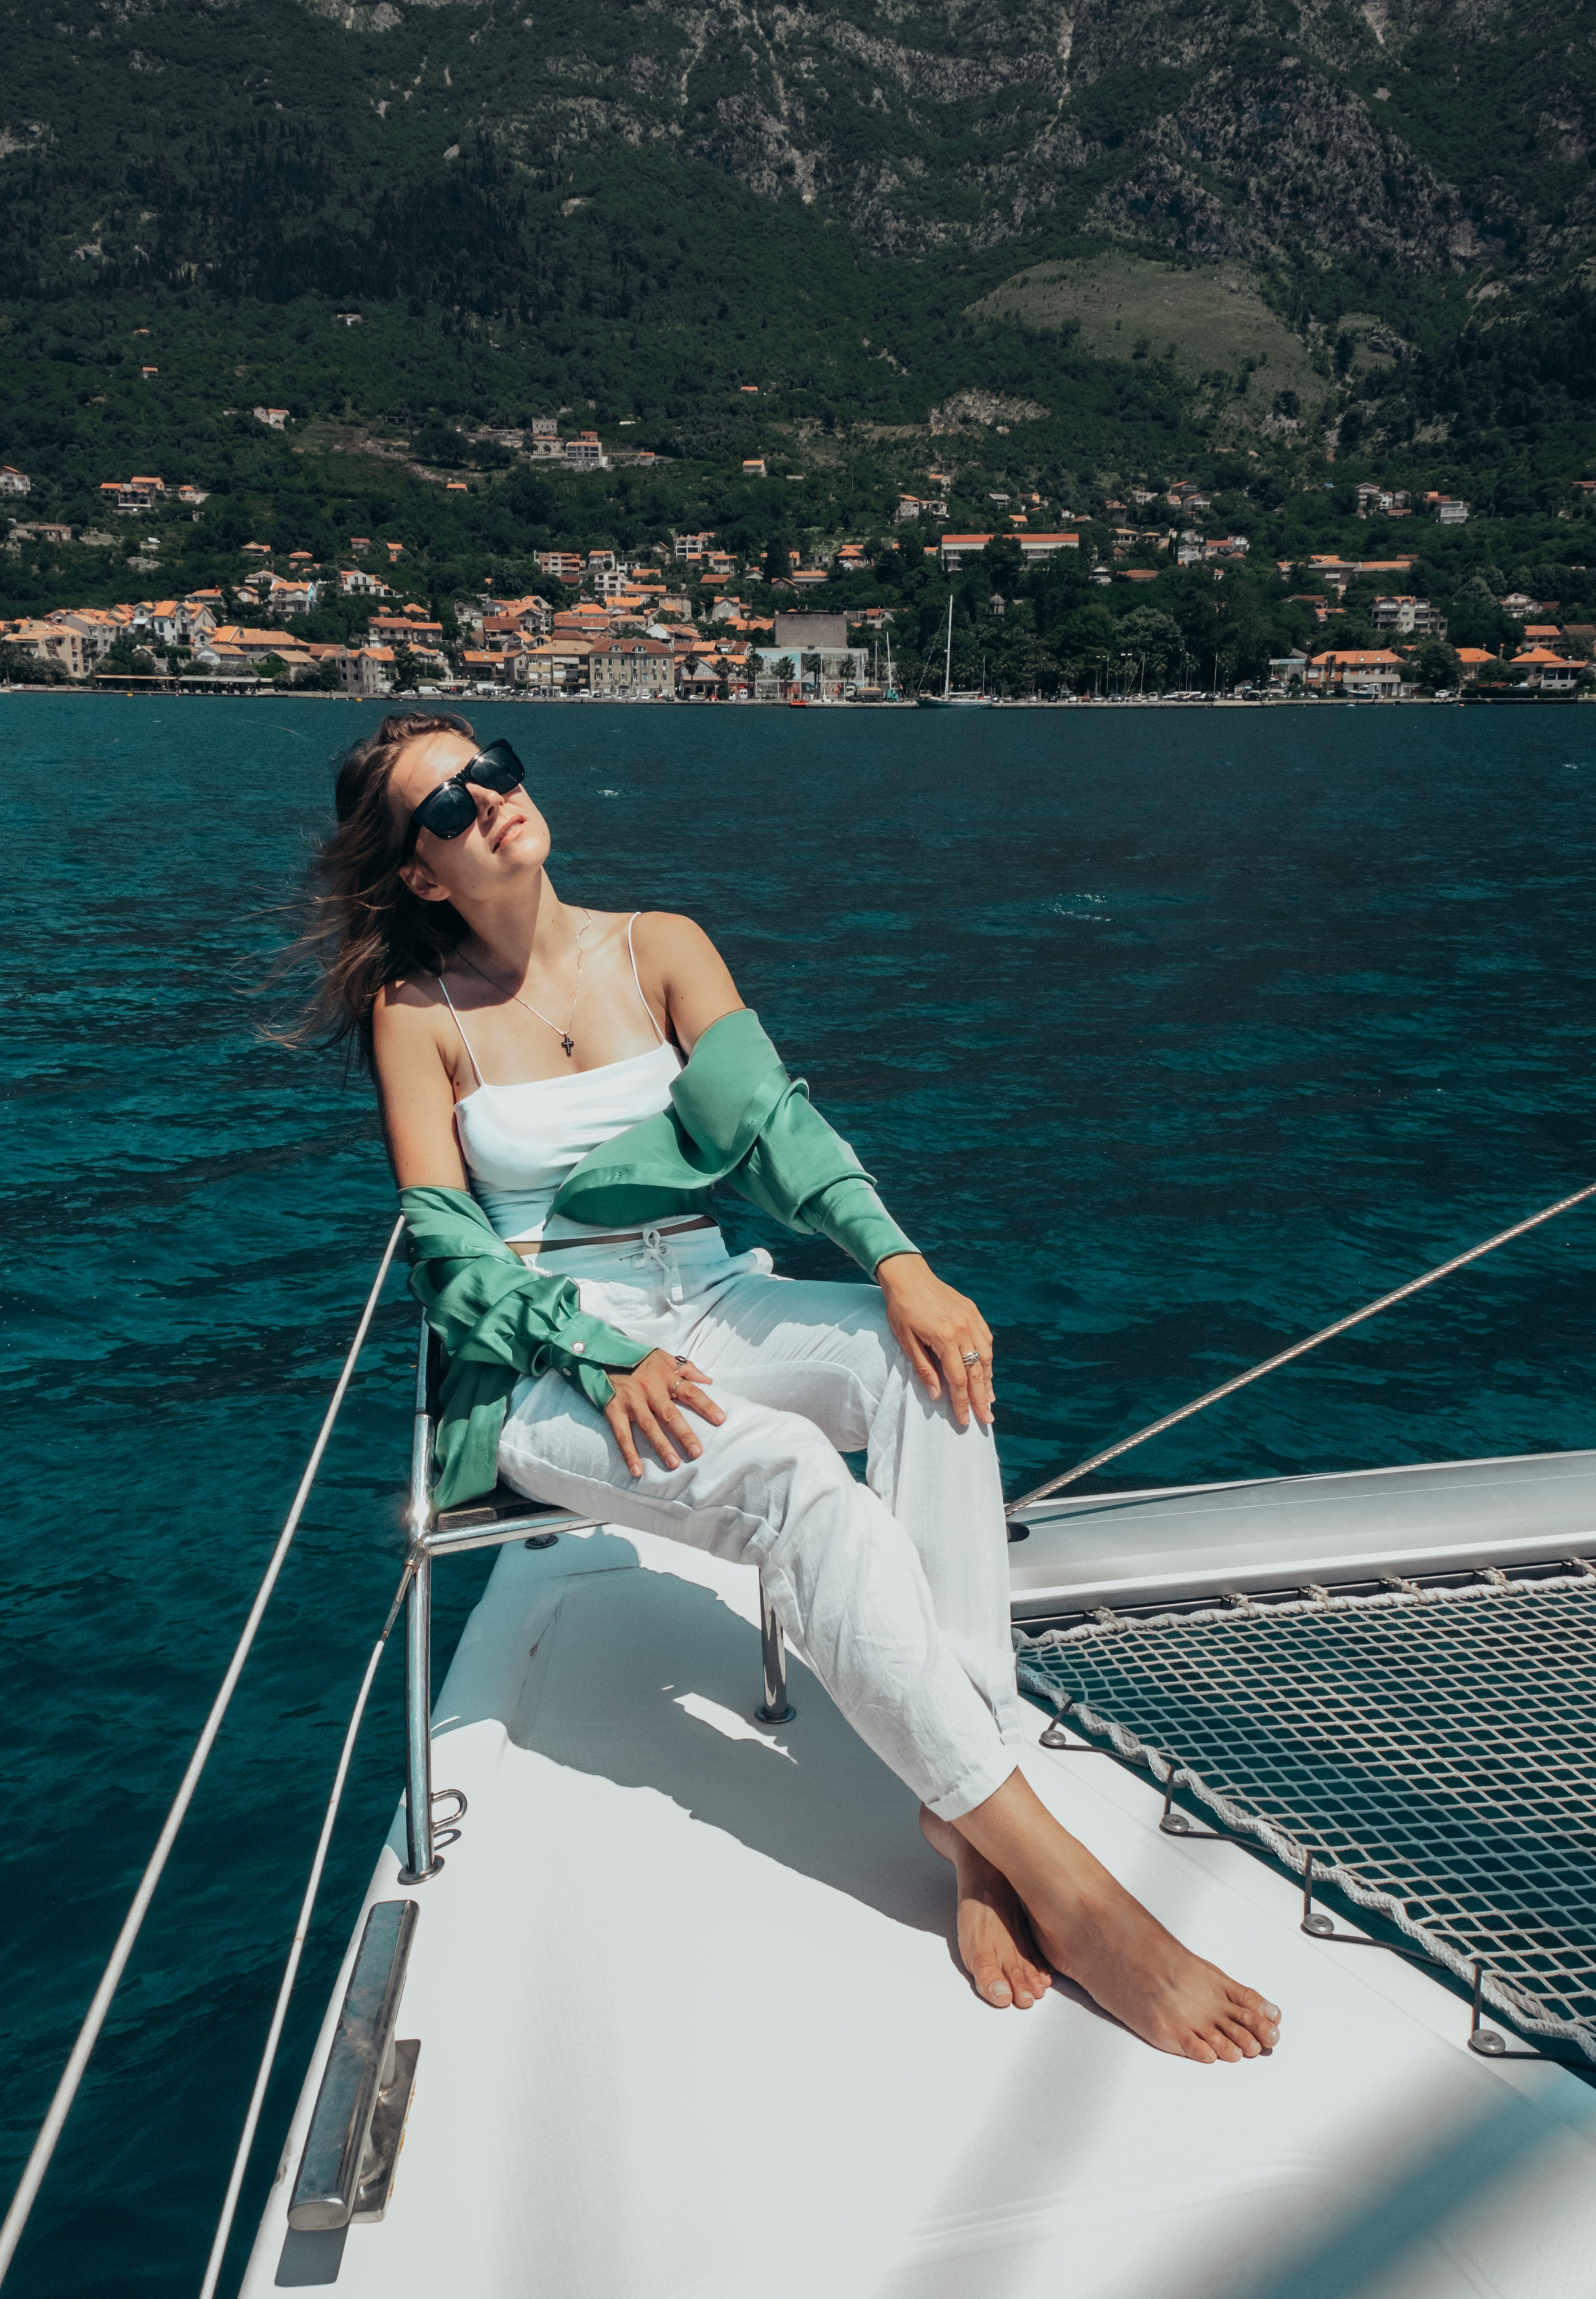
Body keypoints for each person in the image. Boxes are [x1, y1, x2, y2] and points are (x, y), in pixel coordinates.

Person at [299, 709, 1281, 2064]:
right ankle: (1062, 1878)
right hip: (556, 1346)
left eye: (493, 768)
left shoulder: (661, 945)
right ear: (419, 872)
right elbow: (448, 1248)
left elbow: (775, 1128)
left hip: (708, 1283)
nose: (489, 800)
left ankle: (966, 1822)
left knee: (920, 1363)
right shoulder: (419, 1017)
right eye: (447, 807)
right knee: (791, 1481)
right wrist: (597, 1353)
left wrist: (898, 1260)